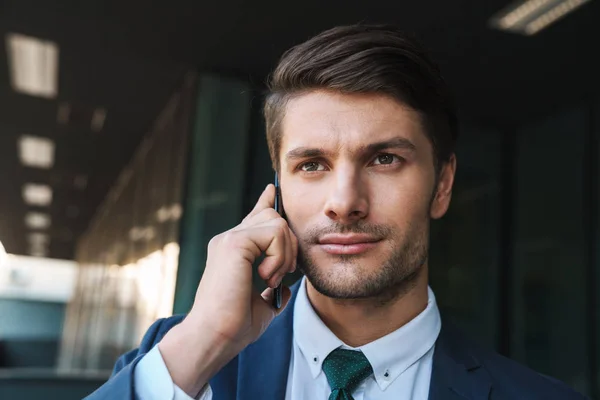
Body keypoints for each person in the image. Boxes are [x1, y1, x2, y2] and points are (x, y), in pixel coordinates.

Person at [86, 24, 586, 400]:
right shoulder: (181, 358)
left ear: (442, 185)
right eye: (312, 164)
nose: (344, 202)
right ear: (278, 187)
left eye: (384, 159)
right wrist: (206, 342)